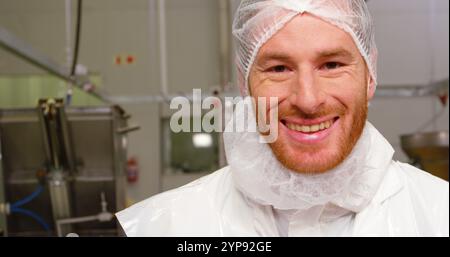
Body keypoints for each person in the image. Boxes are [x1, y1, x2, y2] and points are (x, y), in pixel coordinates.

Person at [116, 0, 449, 236]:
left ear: (370, 75)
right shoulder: (166, 226)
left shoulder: (438, 214)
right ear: (244, 83)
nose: (307, 99)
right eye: (278, 68)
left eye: (332, 64)